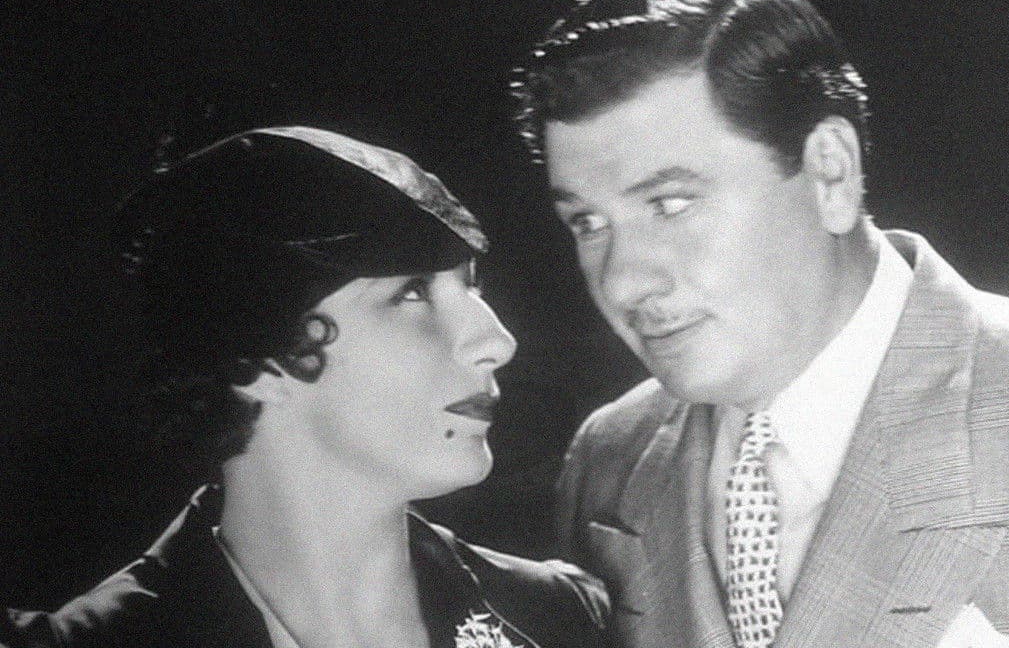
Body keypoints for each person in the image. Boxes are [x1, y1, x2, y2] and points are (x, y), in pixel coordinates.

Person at [513, 0, 1009, 647]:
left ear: (831, 172)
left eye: (672, 204)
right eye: (588, 223)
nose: (623, 281)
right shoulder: (609, 459)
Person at [0, 127, 608, 648]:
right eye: (412, 292)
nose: (496, 340)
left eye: (471, 285)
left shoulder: (562, 617)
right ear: (259, 360)